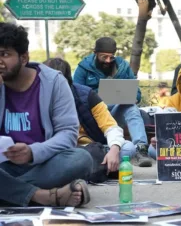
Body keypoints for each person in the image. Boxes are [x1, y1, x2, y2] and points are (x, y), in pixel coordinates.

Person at [0, 23, 92, 207]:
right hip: (4, 167)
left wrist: (33, 152)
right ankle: (44, 196)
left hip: (43, 163)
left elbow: (68, 134)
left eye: (5, 54)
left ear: (24, 57)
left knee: (81, 159)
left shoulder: (54, 82)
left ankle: (12, 192)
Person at [43, 58, 136, 182]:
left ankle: (87, 169)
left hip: (92, 148)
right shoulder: (38, 98)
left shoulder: (87, 95)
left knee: (128, 148)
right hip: (60, 151)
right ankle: (96, 169)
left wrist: (114, 150)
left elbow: (111, 127)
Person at [73, 37, 152, 167]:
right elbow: (76, 94)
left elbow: (137, 94)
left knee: (131, 108)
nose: (108, 61)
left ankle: (141, 149)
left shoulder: (123, 67)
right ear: (95, 53)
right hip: (93, 119)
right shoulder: (83, 68)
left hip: (115, 114)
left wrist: (130, 97)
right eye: (104, 57)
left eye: (111, 57)